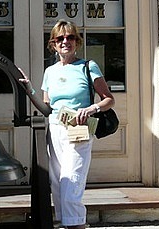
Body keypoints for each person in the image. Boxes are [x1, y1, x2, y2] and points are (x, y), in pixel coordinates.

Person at [20, 19, 115, 229]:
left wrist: (92, 108)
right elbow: (47, 108)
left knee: (71, 179)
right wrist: (30, 90)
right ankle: (66, 223)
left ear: (77, 41)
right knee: (56, 183)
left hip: (79, 129)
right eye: (60, 38)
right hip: (55, 130)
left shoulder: (88, 66)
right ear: (53, 44)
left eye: (70, 37)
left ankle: (76, 225)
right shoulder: (50, 72)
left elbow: (109, 99)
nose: (66, 41)